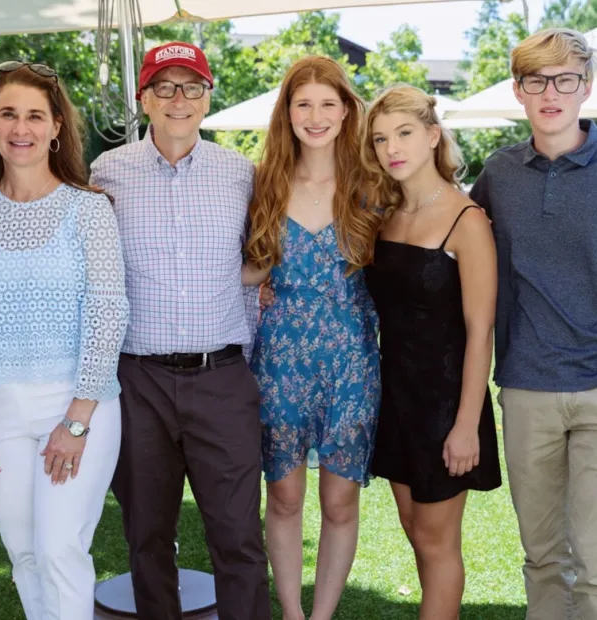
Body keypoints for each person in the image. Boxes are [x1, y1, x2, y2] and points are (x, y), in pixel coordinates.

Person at [90, 42, 271, 620]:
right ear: (143, 98)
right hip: (138, 382)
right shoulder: (104, 173)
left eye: (191, 86)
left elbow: (263, 255)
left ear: (208, 96)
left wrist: (256, 282)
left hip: (222, 378)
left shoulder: (242, 173)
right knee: (146, 538)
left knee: (239, 540)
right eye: (164, 87)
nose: (178, 99)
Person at [0, 62, 129, 620]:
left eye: (35, 115)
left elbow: (108, 311)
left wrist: (77, 418)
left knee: (60, 549)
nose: (22, 127)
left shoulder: (88, 209)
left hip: (78, 403)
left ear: (56, 126)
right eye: (9, 113)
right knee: (24, 556)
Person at [243, 56, 381, 620]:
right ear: (288, 112)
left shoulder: (375, 186)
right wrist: (255, 283)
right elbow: (240, 265)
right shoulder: (262, 182)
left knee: (340, 500)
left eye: (329, 103)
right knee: (283, 495)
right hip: (278, 359)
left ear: (348, 111)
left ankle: (322, 616)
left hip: (352, 361)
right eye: (304, 103)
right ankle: (292, 614)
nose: (316, 115)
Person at [470, 28, 597, 619]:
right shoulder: (499, 174)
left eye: (566, 79)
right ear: (519, 91)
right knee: (543, 557)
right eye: (537, 80)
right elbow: (451, 246)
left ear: (586, 87)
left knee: (596, 563)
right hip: (524, 389)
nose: (552, 92)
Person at [361, 84, 502, 620]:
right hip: (396, 398)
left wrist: (466, 424)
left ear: (432, 136)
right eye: (380, 139)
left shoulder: (467, 220)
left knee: (439, 544)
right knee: (418, 536)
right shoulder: (385, 214)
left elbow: (480, 328)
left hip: (447, 404)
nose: (391, 148)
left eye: (404, 134)